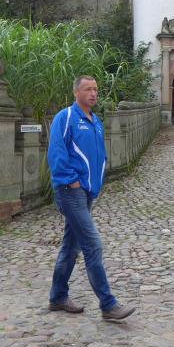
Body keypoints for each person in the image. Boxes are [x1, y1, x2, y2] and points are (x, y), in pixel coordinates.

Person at [47, 76, 136, 321]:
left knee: (71, 246)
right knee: (92, 244)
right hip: (70, 191)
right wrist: (70, 180)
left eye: (95, 89)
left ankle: (58, 296)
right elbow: (56, 151)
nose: (93, 93)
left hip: (86, 191)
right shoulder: (65, 117)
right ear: (76, 92)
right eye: (88, 89)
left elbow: (98, 155)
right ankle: (108, 304)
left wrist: (96, 182)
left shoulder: (95, 121)